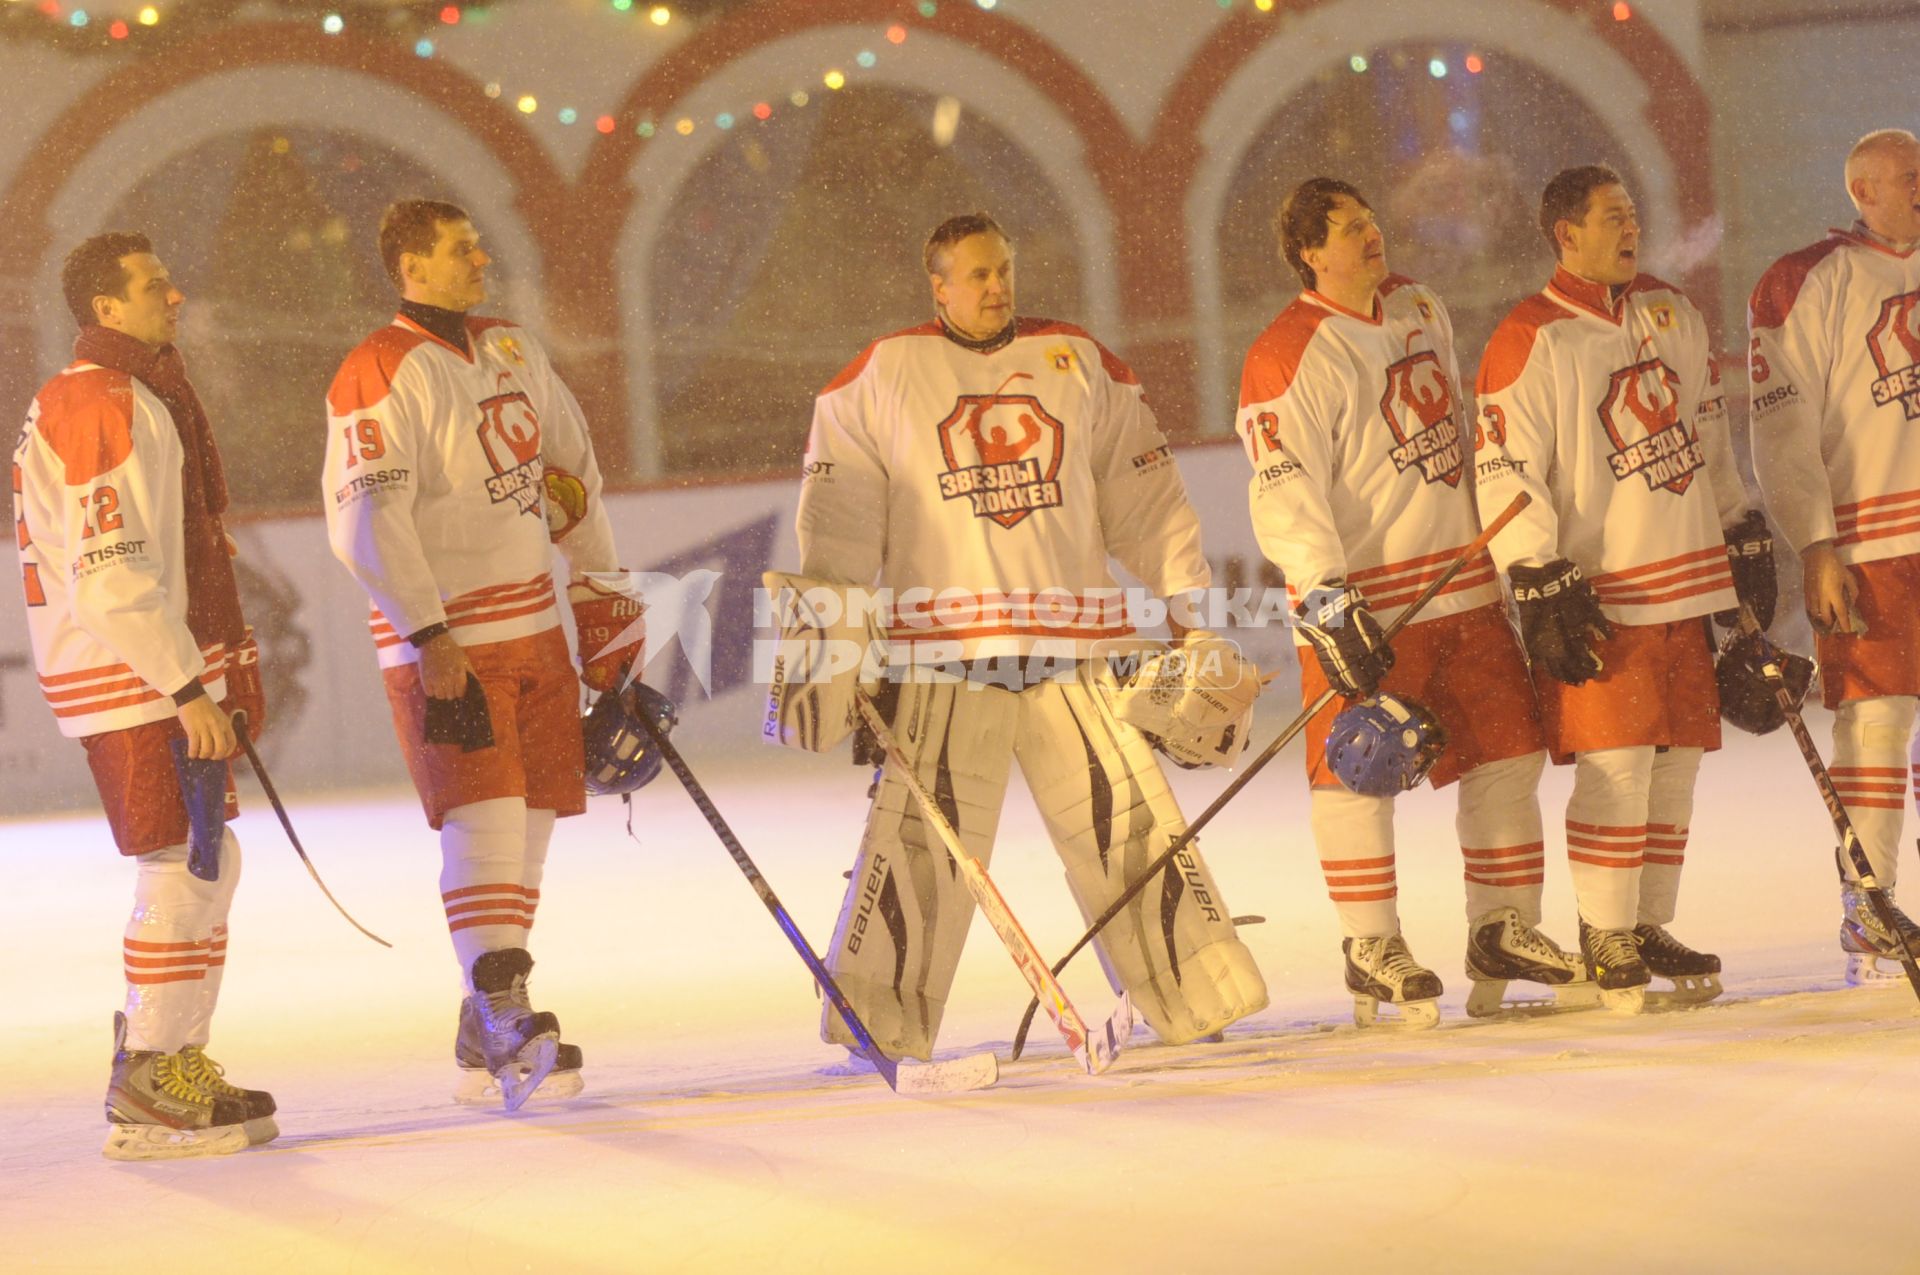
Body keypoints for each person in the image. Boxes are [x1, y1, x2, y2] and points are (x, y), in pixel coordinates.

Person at [794, 211, 1268, 1062]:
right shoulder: (881, 373)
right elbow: (836, 528)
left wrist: (1192, 613)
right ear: (936, 286)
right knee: (920, 857)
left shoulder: (1078, 362)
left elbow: (1149, 504)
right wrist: (841, 657)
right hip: (944, 661)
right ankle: (883, 1020)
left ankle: (1193, 991)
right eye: (975, 275)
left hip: (1074, 653)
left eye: (1003, 269)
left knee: (1131, 835)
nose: (996, 286)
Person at [1238, 177, 1581, 1027]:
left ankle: (1502, 926)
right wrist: (1322, 593)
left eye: (1371, 220)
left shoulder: (1420, 305)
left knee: (1505, 753)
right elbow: (1283, 487)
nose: (1370, 235)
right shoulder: (1284, 351)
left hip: (1461, 586)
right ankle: (1370, 945)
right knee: (1361, 770)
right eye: (1349, 229)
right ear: (1310, 251)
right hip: (1368, 603)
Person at [323, 199, 641, 1107]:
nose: (481, 260)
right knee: (487, 821)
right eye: (461, 250)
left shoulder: (511, 349)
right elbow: (364, 516)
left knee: (530, 824)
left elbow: (572, 475)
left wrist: (604, 604)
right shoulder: (375, 371)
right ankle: (505, 1011)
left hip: (533, 625)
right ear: (411, 267)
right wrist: (427, 632)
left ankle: (487, 1017)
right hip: (451, 642)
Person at [1474, 165, 1774, 1011]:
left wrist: (1737, 517)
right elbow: (1505, 468)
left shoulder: (1673, 312)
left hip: (1684, 577)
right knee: (1616, 769)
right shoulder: (1530, 336)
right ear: (1566, 232)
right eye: (1612, 217)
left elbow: (1708, 434)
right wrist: (1531, 567)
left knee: (1675, 765)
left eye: (1634, 214)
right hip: (1602, 591)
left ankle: (1645, 921)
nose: (1630, 228)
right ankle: (1603, 929)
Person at [15, 232, 274, 1158]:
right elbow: (110, 566)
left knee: (210, 857)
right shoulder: (103, 398)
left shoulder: (128, 393)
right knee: (180, 860)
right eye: (155, 284)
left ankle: (175, 1058)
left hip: (140, 667)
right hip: (131, 674)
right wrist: (184, 682)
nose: (177, 294)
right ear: (107, 309)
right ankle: (152, 1080)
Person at [1748, 128, 1920, 981]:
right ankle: (1870, 899)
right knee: (1876, 721)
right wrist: (1815, 540)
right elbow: (1781, 427)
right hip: (1872, 539)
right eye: (1910, 177)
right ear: (1863, 189)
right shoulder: (1806, 279)